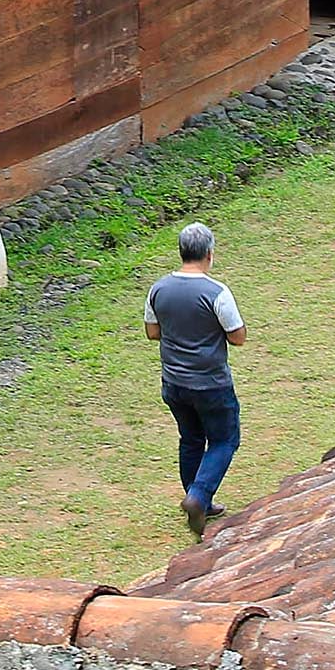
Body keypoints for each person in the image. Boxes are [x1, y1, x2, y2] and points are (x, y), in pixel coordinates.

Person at [144, 222, 247, 535]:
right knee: (224, 439)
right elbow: (238, 337)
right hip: (210, 383)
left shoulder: (158, 289)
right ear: (210, 254)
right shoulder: (217, 292)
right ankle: (199, 496)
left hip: (174, 382)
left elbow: (152, 332)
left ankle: (196, 494)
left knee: (190, 438)